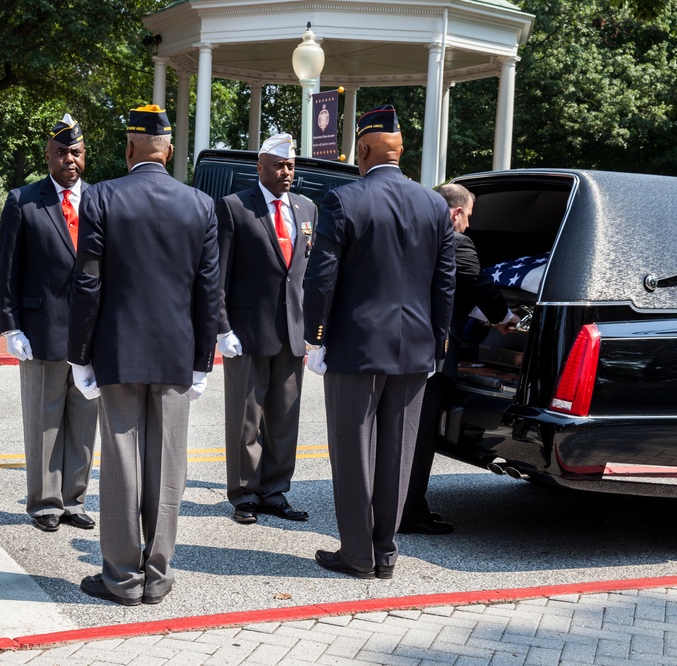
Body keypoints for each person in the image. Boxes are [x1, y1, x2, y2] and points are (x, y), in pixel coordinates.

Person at [67, 104, 219, 606]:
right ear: (169, 150)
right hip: (176, 352)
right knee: (168, 464)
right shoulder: (199, 204)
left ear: (130, 147)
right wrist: (203, 359)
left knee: (121, 462)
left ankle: (122, 577)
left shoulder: (103, 196)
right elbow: (207, 292)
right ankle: (157, 575)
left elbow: (88, 281)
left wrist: (80, 353)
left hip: (118, 349)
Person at [302, 105, 455, 580]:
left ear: (364, 149)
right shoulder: (434, 204)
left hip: (356, 346)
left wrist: (316, 337)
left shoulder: (344, 199)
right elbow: (444, 283)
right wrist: (438, 345)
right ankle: (385, 553)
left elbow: (320, 279)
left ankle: (356, 554)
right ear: (401, 150)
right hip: (416, 348)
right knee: (397, 453)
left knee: (353, 453)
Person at [0, 114, 99, 533]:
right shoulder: (24, 200)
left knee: (83, 419)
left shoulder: (100, 200)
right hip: (40, 329)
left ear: (84, 155)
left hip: (90, 332)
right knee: (44, 419)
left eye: (75, 152)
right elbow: (7, 269)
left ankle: (74, 499)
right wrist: (10, 325)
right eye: (60, 153)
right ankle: (44, 503)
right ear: (48, 156)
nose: (68, 160)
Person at [399, 182, 518, 535]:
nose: (468, 223)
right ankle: (408, 514)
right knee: (419, 439)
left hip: (397, 347)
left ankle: (390, 505)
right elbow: (477, 283)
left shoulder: (407, 235)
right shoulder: (455, 240)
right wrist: (504, 316)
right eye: (467, 215)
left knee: (398, 433)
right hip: (432, 353)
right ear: (455, 213)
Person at [215, 133, 317, 525]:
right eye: (279, 165)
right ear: (260, 167)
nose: (286, 172)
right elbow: (219, 274)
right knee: (246, 418)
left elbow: (306, 275)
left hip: (292, 331)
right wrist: (222, 328)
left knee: (284, 417)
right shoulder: (236, 207)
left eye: (291, 165)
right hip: (248, 331)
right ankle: (244, 494)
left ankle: (275, 491)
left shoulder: (307, 209)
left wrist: (316, 331)